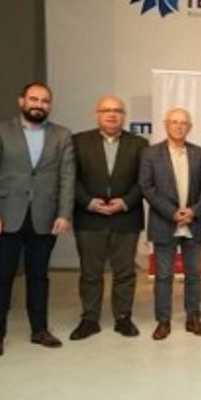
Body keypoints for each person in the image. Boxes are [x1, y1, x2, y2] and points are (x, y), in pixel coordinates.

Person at [0, 82, 75, 358]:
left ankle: (39, 330)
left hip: (45, 217)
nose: (39, 105)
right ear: (21, 101)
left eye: (44, 101)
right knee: (2, 276)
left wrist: (64, 214)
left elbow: (67, 178)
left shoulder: (62, 135)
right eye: (34, 99)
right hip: (6, 217)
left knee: (39, 277)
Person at [68, 95, 148, 341]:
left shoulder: (139, 144)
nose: (112, 114)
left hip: (126, 217)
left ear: (124, 116)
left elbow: (144, 181)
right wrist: (88, 202)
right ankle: (89, 319)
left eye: (117, 110)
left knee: (125, 272)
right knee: (90, 272)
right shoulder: (79, 142)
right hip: (89, 217)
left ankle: (123, 317)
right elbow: (70, 178)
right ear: (97, 114)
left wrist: (125, 202)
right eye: (106, 110)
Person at [139, 108, 201, 340]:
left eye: (183, 123)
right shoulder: (151, 153)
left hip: (193, 222)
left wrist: (194, 211)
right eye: (174, 122)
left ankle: (193, 318)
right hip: (164, 223)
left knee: (194, 275)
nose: (179, 126)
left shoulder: (199, 153)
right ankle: (163, 321)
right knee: (163, 276)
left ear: (189, 127)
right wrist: (172, 212)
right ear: (166, 124)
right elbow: (146, 187)